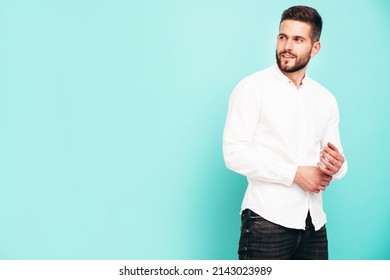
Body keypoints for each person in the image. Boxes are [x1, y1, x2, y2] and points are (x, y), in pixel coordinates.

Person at [222, 5, 348, 260]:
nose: (287, 46)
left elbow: (338, 160)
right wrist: (294, 174)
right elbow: (234, 153)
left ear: (315, 48)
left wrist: (337, 167)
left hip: (315, 225)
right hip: (266, 222)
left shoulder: (325, 99)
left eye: (298, 39)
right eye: (283, 37)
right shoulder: (252, 88)